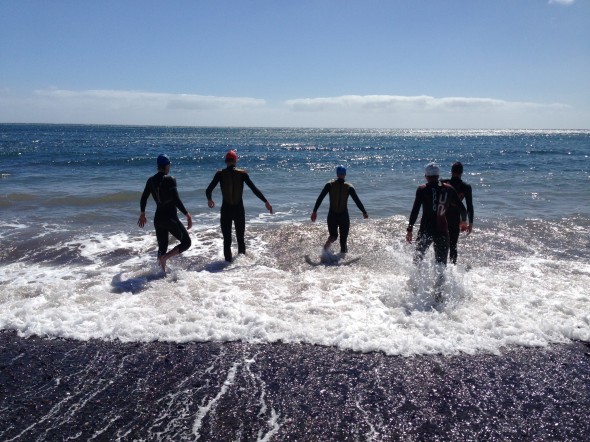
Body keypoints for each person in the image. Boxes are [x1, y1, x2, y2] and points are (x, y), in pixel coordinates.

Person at [405, 163, 466, 297]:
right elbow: (463, 209)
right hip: (442, 230)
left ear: (426, 176)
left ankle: (414, 290)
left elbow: (415, 211)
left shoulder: (422, 189)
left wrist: (409, 229)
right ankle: (439, 295)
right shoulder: (449, 189)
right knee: (441, 265)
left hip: (426, 229)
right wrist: (463, 222)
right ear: (438, 176)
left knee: (418, 259)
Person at [206, 150, 273, 262]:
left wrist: (210, 200)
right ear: (235, 161)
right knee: (240, 239)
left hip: (226, 210)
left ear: (226, 161)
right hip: (238, 210)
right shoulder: (242, 174)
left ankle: (226, 264)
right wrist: (266, 202)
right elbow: (254, 189)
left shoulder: (220, 174)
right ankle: (241, 267)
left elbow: (208, 190)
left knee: (227, 240)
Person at [138, 154, 192, 272]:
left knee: (162, 247)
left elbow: (143, 198)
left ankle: (159, 274)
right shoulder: (170, 179)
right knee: (187, 242)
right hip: (171, 218)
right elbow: (176, 200)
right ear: (167, 165)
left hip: (158, 219)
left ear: (158, 166)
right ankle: (165, 258)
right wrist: (187, 214)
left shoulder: (150, 181)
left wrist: (142, 214)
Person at [311, 165, 368, 254]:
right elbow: (320, 197)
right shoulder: (331, 185)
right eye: (341, 174)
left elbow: (356, 200)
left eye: (342, 174)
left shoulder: (347, 187)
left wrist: (363, 211)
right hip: (335, 215)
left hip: (341, 215)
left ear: (343, 174)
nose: (341, 175)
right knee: (336, 238)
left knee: (340, 240)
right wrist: (314, 211)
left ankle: (339, 263)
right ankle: (327, 250)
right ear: (339, 174)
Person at [441, 161, 474, 264]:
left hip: (443, 217)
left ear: (451, 171)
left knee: (442, 245)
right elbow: (469, 206)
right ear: (462, 172)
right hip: (456, 219)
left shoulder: (443, 183)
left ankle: (440, 268)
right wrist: (469, 223)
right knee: (453, 246)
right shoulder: (466, 187)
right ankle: (452, 270)